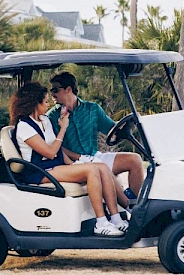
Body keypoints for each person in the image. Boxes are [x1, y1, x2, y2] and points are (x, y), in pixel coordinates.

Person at [9, 82, 128, 236]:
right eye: (45, 102)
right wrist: (63, 128)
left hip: (55, 166)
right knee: (91, 170)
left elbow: (57, 149)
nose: (48, 105)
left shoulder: (44, 120)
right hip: (39, 171)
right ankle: (101, 222)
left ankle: (116, 218)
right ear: (34, 104)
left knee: (102, 167)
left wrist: (73, 164)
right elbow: (50, 153)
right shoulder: (24, 127)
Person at [47, 72, 144, 201]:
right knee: (103, 169)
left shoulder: (92, 109)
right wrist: (79, 157)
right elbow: (55, 146)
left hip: (93, 156)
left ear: (68, 89)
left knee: (135, 160)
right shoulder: (52, 117)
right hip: (72, 162)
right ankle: (126, 207)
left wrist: (132, 123)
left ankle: (137, 205)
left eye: (55, 90)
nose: (52, 94)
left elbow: (113, 129)